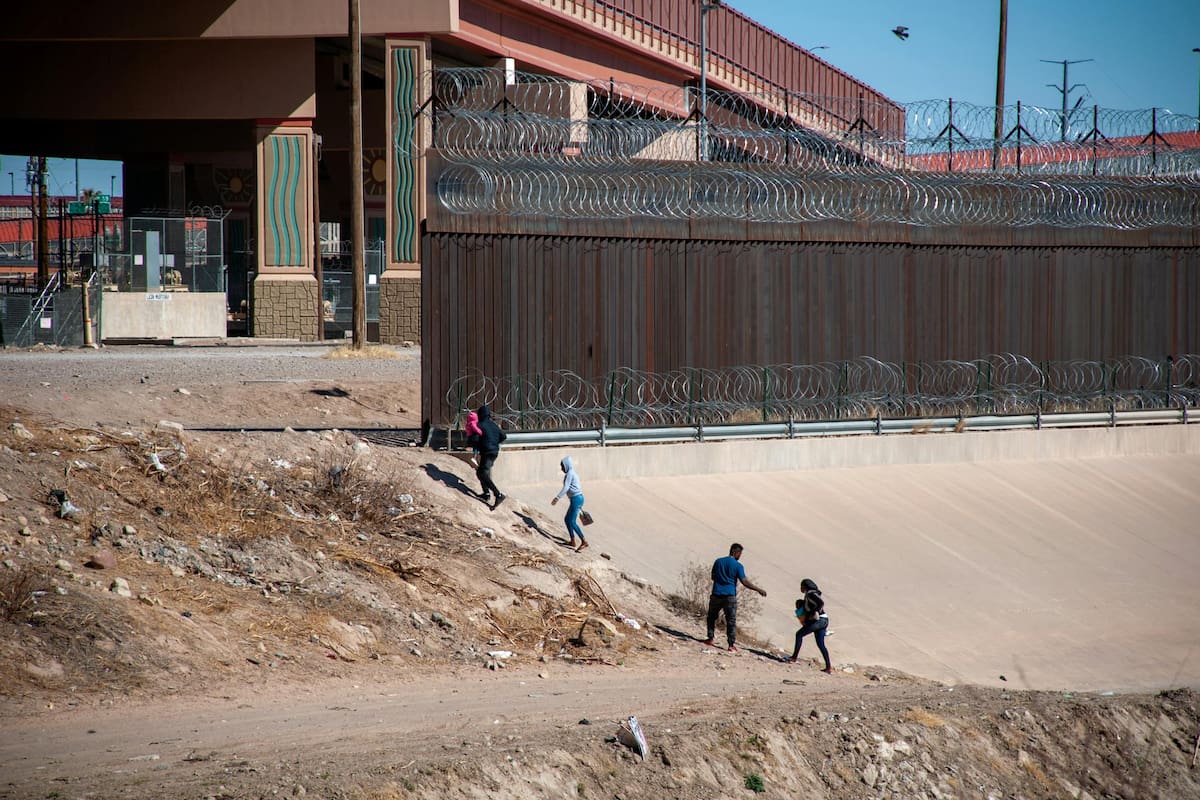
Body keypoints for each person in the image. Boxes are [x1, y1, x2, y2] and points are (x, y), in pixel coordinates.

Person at [703, 543, 767, 652]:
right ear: (735, 552)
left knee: (711, 617)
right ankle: (731, 645)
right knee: (731, 620)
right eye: (740, 553)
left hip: (716, 594)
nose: (740, 556)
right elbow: (744, 581)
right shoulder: (738, 566)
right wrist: (758, 589)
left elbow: (713, 576)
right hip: (729, 596)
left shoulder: (718, 561)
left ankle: (710, 638)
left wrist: (721, 580)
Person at [788, 577, 832, 673]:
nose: (801, 588)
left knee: (799, 634)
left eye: (801, 586)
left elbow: (820, 603)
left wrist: (812, 612)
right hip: (824, 620)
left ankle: (793, 658)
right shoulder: (812, 593)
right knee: (821, 644)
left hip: (819, 620)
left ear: (805, 586)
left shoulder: (810, 594)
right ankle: (828, 668)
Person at [466, 404, 506, 509]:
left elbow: (474, 439)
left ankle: (498, 495)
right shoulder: (494, 425)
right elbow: (503, 436)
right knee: (482, 472)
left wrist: (473, 443)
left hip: (487, 451)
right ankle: (486, 494)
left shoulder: (479, 425)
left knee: (482, 473)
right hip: (494, 451)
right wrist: (495, 441)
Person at [550, 455, 587, 551]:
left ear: (567, 465)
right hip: (576, 499)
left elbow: (566, 487)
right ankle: (572, 540)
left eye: (563, 466)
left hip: (576, 499)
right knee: (567, 519)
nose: (562, 468)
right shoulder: (572, 473)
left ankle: (584, 541)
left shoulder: (570, 474)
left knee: (572, 521)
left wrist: (557, 498)